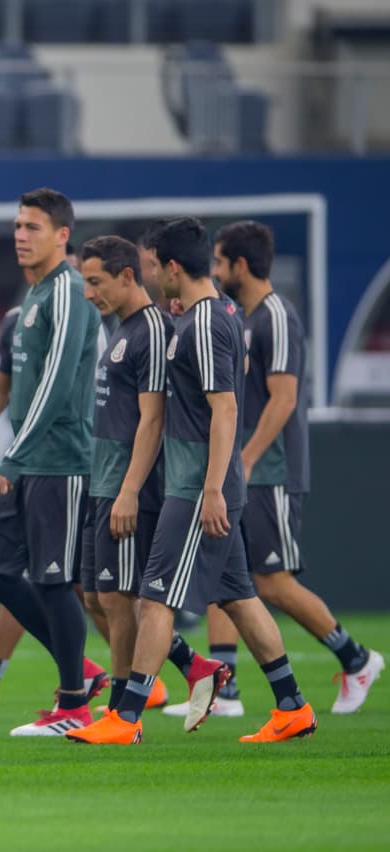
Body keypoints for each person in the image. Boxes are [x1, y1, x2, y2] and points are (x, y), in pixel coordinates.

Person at [69, 216, 316, 745]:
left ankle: (126, 717)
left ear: (174, 267)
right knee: (239, 598)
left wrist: (210, 489)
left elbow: (225, 409)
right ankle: (292, 705)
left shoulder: (205, 322)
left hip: (196, 486)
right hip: (206, 483)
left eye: (156, 267)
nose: (154, 278)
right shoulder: (213, 313)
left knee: (155, 598)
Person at [213, 220, 382, 713]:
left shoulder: (276, 316)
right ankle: (225, 690)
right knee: (225, 572)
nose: (217, 271)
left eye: (221, 262)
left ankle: (356, 659)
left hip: (271, 473)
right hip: (246, 472)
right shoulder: (242, 318)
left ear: (240, 266)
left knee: (272, 583)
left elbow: (284, 400)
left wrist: (243, 461)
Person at [0, 188, 101, 737]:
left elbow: (57, 380)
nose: (21, 235)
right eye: (18, 225)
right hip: (28, 459)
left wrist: (14, 455)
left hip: (59, 459)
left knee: (54, 582)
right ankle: (83, 671)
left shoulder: (68, 291)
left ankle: (74, 705)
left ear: (62, 235)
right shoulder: (35, 298)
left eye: (33, 227)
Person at [78, 236, 228, 714]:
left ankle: (122, 709)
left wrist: (128, 491)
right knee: (97, 596)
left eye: (95, 282)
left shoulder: (154, 330)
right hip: (102, 479)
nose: (88, 294)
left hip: (129, 486)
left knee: (120, 600)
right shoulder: (126, 327)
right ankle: (192, 666)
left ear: (127, 276)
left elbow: (153, 418)